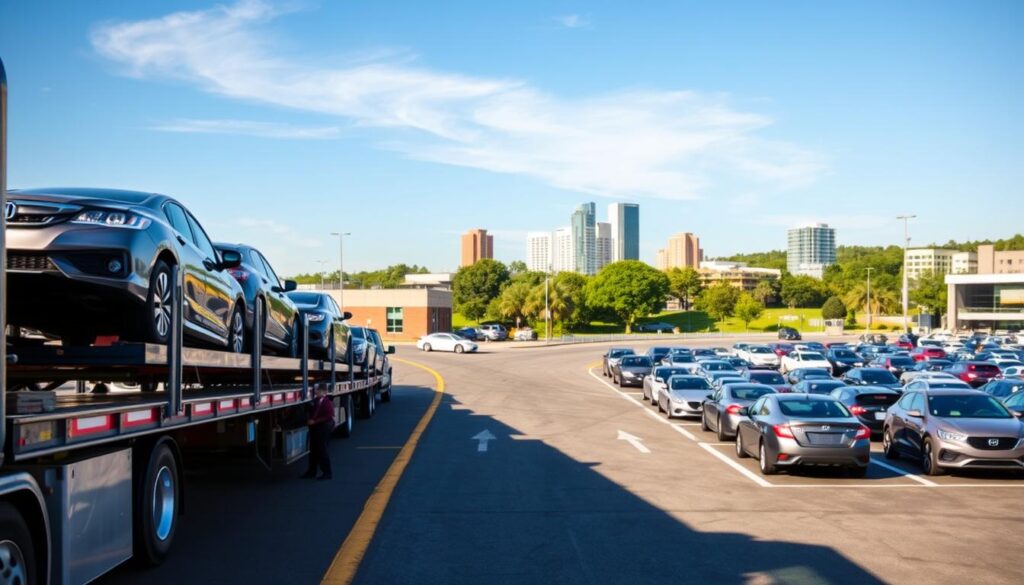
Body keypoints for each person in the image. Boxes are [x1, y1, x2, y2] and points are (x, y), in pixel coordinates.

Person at [302, 384, 335, 480]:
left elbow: (329, 415)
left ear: (324, 392)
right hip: (316, 427)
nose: (316, 392)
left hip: (324, 427)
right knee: (313, 449)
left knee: (322, 449)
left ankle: (327, 473)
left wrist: (315, 421)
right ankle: (311, 471)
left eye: (319, 390)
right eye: (316, 390)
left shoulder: (327, 402)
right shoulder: (316, 401)